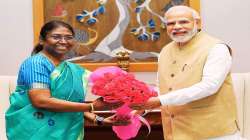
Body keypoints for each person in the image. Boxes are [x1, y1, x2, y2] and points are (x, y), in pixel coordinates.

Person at [130, 5, 242, 140]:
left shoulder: (217, 48)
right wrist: (142, 108)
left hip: (214, 133)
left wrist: (159, 100)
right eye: (171, 23)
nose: (176, 26)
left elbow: (209, 86)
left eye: (183, 21)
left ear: (197, 23)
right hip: (175, 131)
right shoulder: (165, 51)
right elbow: (162, 88)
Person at [5, 20, 127, 140]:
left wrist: (98, 119)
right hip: (35, 132)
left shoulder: (73, 69)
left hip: (67, 132)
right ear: (42, 40)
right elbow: (41, 101)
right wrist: (92, 106)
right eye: (56, 37)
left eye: (69, 37)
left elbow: (69, 102)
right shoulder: (36, 63)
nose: (63, 41)